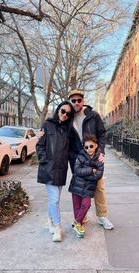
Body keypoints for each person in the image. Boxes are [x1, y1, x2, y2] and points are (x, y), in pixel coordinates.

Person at [68, 89, 114, 230]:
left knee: (98, 187)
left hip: (93, 156)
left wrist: (101, 152)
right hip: (77, 158)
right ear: (70, 101)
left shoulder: (93, 116)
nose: (76, 103)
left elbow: (102, 134)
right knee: (79, 188)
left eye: (79, 100)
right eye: (73, 100)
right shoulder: (67, 118)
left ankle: (102, 216)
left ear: (83, 101)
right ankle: (82, 215)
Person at [36, 101, 74, 242]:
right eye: (63, 111)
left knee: (54, 199)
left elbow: (71, 149)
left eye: (68, 114)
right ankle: (57, 227)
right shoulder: (47, 125)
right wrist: (45, 161)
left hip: (61, 169)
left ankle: (49, 221)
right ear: (59, 109)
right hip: (48, 168)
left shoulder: (68, 129)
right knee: (55, 199)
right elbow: (40, 145)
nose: (65, 115)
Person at [69, 134, 104, 238]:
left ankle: (76, 223)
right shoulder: (80, 156)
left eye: (91, 146)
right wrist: (91, 170)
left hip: (88, 187)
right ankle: (78, 226)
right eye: (86, 147)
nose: (89, 149)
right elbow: (76, 170)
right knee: (77, 207)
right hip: (76, 186)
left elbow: (98, 175)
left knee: (86, 204)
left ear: (96, 145)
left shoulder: (100, 160)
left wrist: (84, 174)